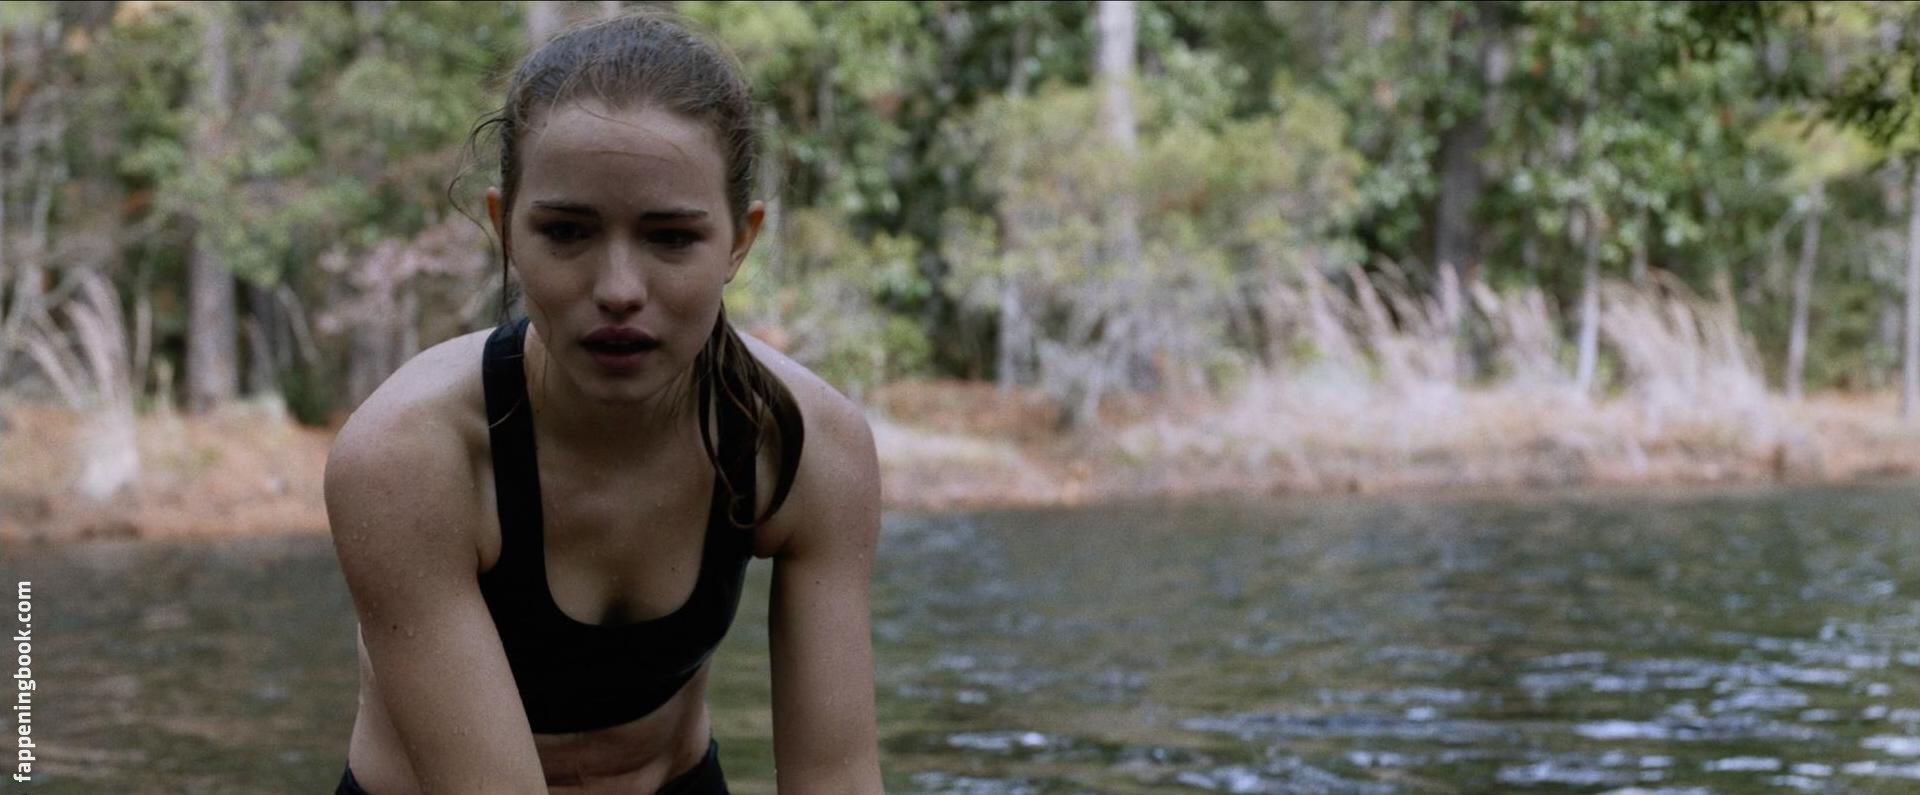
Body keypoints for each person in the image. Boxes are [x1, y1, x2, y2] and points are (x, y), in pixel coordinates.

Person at [323, 11, 883, 795]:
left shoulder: (803, 445)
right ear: (505, 229)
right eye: (567, 232)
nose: (619, 289)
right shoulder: (408, 457)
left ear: (739, 240)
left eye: (671, 237)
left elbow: (837, 777)